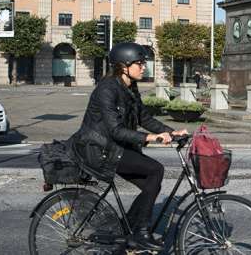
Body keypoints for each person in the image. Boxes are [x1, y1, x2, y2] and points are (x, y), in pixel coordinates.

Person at [70, 43, 187, 251]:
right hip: (98, 149)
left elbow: (144, 117)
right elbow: (115, 130)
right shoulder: (106, 89)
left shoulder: (129, 87)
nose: (144, 67)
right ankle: (140, 232)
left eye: (144, 63)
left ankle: (130, 233)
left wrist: (171, 132)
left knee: (152, 181)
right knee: (155, 170)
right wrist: (151, 137)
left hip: (115, 148)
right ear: (124, 66)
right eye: (139, 63)